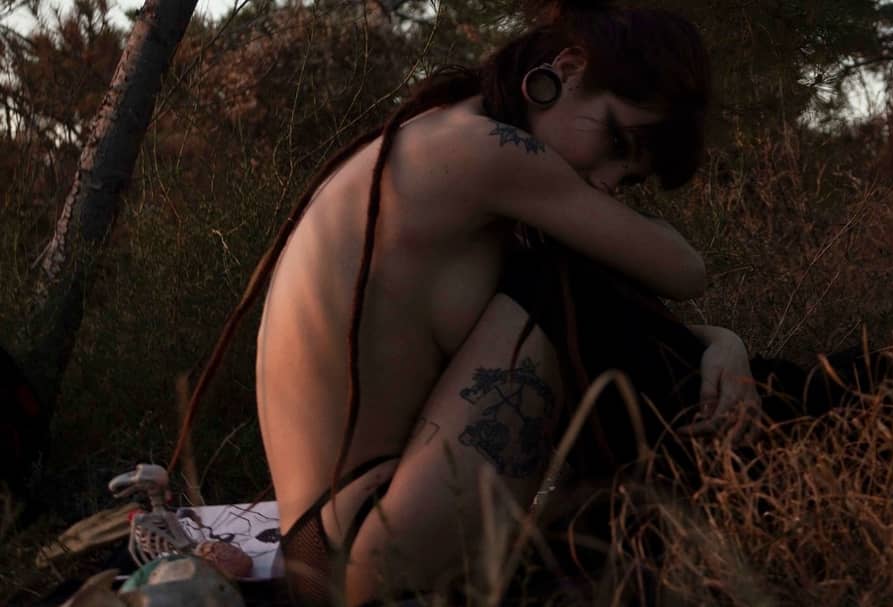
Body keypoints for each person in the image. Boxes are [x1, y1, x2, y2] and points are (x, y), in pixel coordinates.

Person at [171, 1, 761, 605]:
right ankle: (742, 506)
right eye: (614, 139)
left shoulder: (445, 130)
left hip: (330, 550)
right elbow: (684, 269)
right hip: (364, 549)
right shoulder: (485, 151)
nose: (608, 181)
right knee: (562, 286)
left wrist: (721, 342)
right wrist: (716, 348)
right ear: (569, 69)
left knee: (572, 284)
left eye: (629, 179)